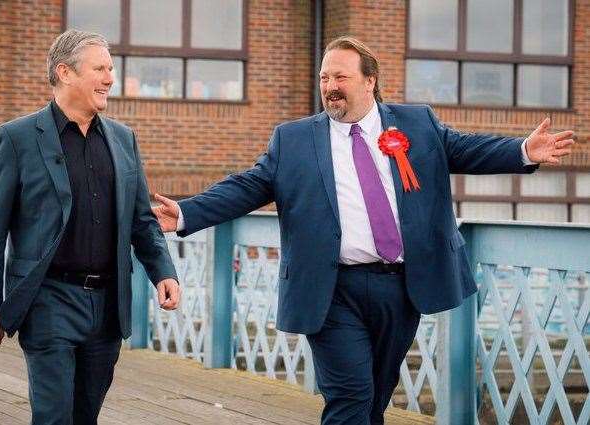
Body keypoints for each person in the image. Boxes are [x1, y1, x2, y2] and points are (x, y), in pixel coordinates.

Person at [151, 36, 574, 425]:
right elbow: (248, 185)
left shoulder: (417, 124)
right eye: (324, 77)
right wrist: (187, 213)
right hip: (331, 290)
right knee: (351, 396)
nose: (330, 86)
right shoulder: (293, 139)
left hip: (401, 288)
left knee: (374, 398)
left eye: (341, 76)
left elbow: (465, 149)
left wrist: (522, 150)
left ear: (370, 81)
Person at [0, 29, 181, 424]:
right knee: (53, 417)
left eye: (111, 69)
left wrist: (163, 273)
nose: (110, 78)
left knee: (86, 416)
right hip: (49, 299)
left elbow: (141, 220)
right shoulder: (16, 138)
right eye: (100, 68)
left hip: (107, 305)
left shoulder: (123, 140)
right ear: (65, 72)